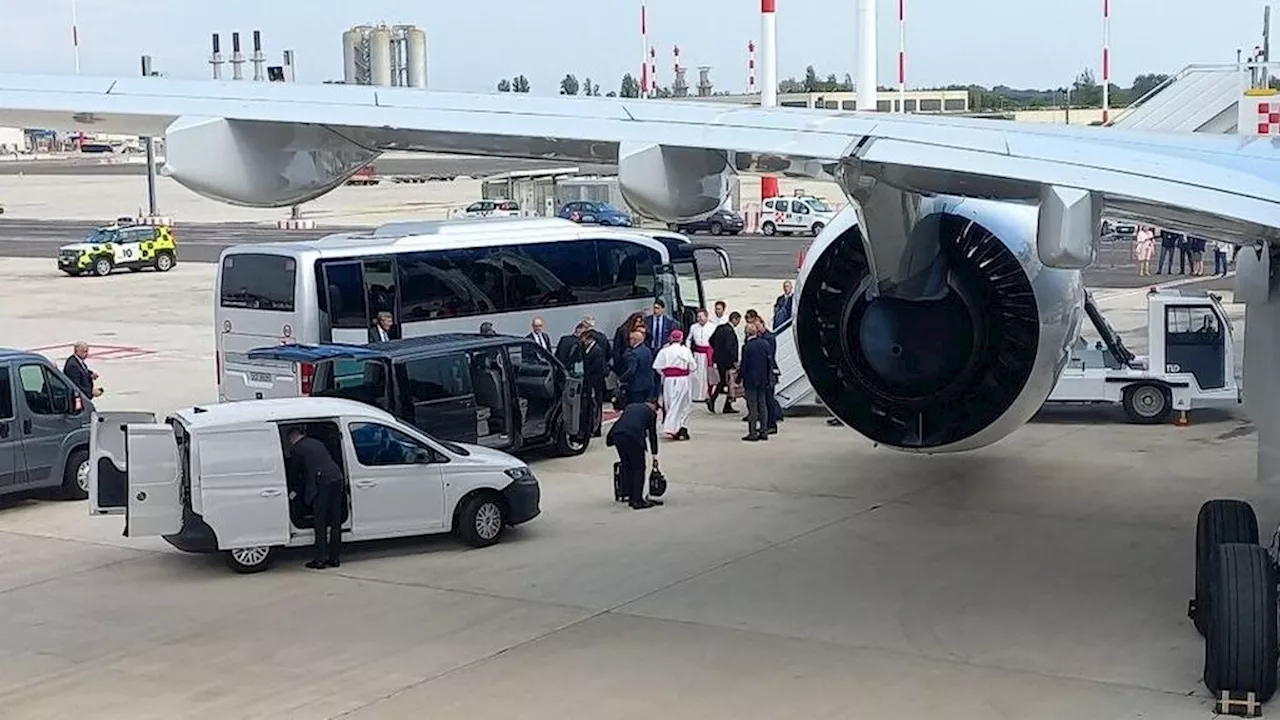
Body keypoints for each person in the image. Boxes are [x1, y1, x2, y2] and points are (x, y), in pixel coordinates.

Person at [286, 427, 346, 569]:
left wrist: (292, 490)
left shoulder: (297, 448)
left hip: (322, 483)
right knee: (335, 520)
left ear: (293, 437)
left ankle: (320, 560)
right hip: (337, 478)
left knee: (321, 522)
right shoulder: (317, 442)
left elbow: (295, 472)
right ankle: (334, 558)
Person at [606, 397, 662, 510]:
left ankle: (630, 495)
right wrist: (655, 455)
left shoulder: (631, 406)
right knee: (639, 468)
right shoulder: (651, 413)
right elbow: (652, 435)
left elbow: (621, 421)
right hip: (633, 437)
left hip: (617, 435)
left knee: (627, 466)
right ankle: (637, 500)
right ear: (654, 406)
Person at [653, 329, 696, 440]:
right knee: (682, 404)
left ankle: (672, 427)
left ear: (671, 338)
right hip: (682, 380)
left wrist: (665, 374)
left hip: (668, 380)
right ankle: (676, 427)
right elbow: (693, 366)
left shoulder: (664, 351)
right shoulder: (685, 351)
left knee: (670, 404)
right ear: (681, 338)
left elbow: (657, 367)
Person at [739, 323, 772, 442]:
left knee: (752, 407)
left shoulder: (747, 347)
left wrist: (739, 378)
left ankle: (753, 432)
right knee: (762, 405)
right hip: (763, 379)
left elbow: (744, 364)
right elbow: (769, 363)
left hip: (751, 380)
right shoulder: (765, 344)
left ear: (747, 333)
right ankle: (764, 430)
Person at [708, 311, 742, 413]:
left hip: (718, 359)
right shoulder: (730, 331)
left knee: (725, 382)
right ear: (734, 319)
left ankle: (726, 404)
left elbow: (711, 340)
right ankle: (714, 400)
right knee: (727, 382)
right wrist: (733, 361)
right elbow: (729, 348)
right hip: (727, 361)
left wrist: (717, 351)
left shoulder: (720, 328)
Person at [579, 329, 610, 438]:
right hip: (590, 382)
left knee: (596, 406)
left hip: (595, 383)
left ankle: (596, 428)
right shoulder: (587, 349)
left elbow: (598, 369)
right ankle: (591, 427)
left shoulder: (597, 351)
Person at [686, 308, 715, 404]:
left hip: (708, 354)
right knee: (695, 375)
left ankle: (706, 395)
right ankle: (695, 395)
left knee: (706, 376)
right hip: (697, 354)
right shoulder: (693, 327)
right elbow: (689, 339)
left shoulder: (713, 327)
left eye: (701, 316)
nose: (699, 319)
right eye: (698, 317)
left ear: (706, 317)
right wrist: (688, 349)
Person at [620, 330, 656, 404]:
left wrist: (622, 379)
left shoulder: (633, 354)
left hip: (636, 386)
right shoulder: (647, 350)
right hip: (648, 384)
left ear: (634, 340)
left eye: (630, 339)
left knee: (635, 406)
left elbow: (631, 370)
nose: (629, 341)